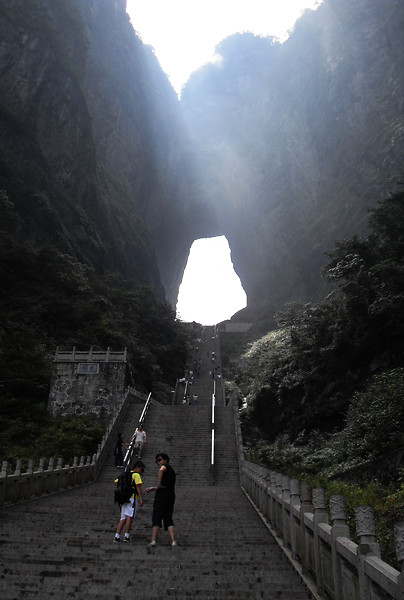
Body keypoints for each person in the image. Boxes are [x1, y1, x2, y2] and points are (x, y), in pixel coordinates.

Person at [145, 452, 176, 547]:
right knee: (168, 518)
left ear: (165, 460)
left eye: (159, 460)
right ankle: (173, 540)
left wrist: (158, 485)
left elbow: (161, 470)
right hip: (170, 495)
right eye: (156, 461)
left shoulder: (164, 467)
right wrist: (155, 488)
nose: (158, 462)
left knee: (157, 516)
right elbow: (166, 485)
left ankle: (153, 540)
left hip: (161, 496)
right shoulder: (172, 471)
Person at [114, 460, 145, 542]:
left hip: (124, 498)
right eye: (142, 469)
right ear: (138, 467)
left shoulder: (125, 474)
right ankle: (126, 536)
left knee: (123, 517)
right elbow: (138, 487)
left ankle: (117, 535)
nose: (142, 472)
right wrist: (141, 498)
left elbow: (116, 482)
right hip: (132, 498)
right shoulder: (136, 475)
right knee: (129, 517)